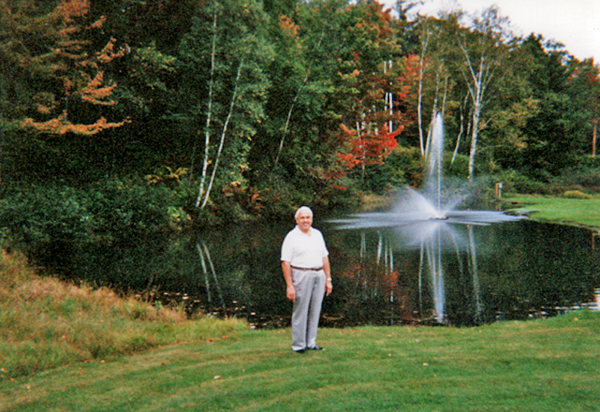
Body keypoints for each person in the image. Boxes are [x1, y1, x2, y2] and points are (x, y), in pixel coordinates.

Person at [281, 206, 332, 353]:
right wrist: (290, 286)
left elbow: (325, 257)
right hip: (301, 274)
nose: (305, 220)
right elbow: (285, 262)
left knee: (315, 310)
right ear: (297, 219)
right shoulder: (291, 237)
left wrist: (328, 278)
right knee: (301, 310)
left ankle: (311, 342)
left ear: (312, 219)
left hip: (319, 274)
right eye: (302, 218)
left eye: (308, 217)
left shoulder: (317, 234)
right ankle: (299, 345)